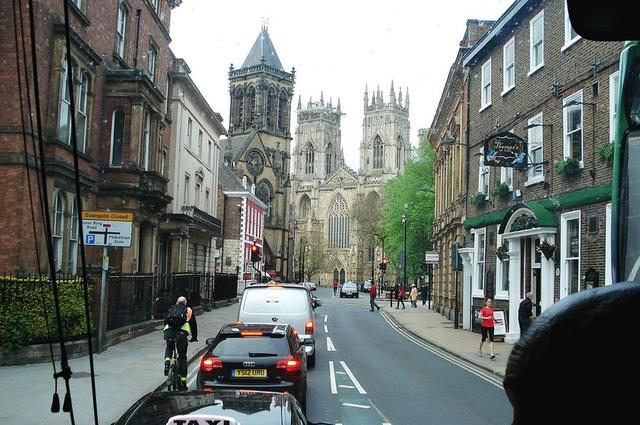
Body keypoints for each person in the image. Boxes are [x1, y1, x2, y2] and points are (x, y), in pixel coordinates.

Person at [163, 296, 198, 390]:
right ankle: (183, 382)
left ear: (177, 302)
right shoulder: (188, 310)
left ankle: (167, 364)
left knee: (169, 347)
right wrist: (194, 337)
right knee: (182, 357)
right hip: (181, 335)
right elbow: (193, 325)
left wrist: (166, 333)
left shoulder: (171, 308)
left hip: (169, 333)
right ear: (185, 303)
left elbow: (165, 321)